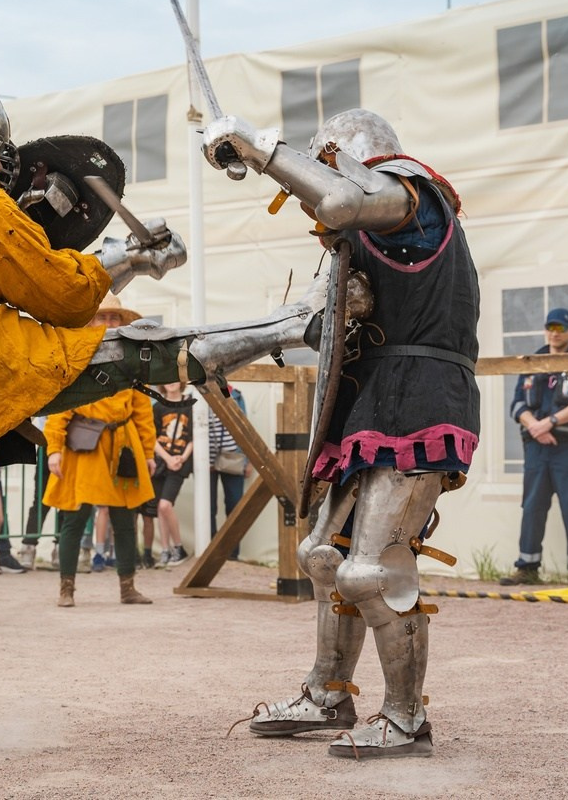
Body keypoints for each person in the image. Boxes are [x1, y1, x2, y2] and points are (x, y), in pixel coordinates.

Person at [0, 71, 364, 754]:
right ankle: (295, 326)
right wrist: (134, 255)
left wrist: (123, 262)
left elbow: (16, 280)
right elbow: (62, 296)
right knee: (134, 349)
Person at [203, 107, 480, 758]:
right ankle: (328, 692)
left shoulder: (410, 193)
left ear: (347, 157)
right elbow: (305, 322)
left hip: (422, 399)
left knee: (372, 572)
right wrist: (213, 351)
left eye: (323, 160)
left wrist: (259, 147)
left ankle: (407, 720)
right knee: (325, 557)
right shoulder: (360, 235)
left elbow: (336, 196)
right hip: (373, 400)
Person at [42, 295, 157, 606]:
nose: (108, 323)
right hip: (84, 449)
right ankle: (66, 589)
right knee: (74, 520)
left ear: (121, 323)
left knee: (124, 521)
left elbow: (143, 413)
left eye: (114, 318)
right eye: (103, 317)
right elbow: (60, 408)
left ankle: (128, 588)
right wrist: (54, 449)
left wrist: (148, 453)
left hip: (123, 448)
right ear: (92, 321)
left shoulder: (132, 362)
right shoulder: (78, 357)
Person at [500, 307, 568, 589]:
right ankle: (527, 567)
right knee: (532, 507)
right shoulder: (534, 361)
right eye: (550, 328)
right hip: (537, 448)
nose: (555, 334)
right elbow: (517, 404)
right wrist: (535, 427)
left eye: (561, 328)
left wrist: (550, 422)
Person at [150, 381, 193, 568]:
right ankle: (165, 550)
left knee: (165, 505)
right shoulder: (158, 407)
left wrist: (182, 458)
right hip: (161, 462)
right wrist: (167, 458)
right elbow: (151, 436)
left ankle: (179, 547)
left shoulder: (191, 404)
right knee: (160, 508)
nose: (171, 383)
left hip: (179, 464)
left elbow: (193, 436)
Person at [209, 387, 251, 561]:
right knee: (208, 507)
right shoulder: (199, 393)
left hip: (233, 456)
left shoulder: (236, 396)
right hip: (206, 459)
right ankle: (211, 551)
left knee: (234, 505)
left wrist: (247, 460)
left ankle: (232, 552)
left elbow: (244, 428)